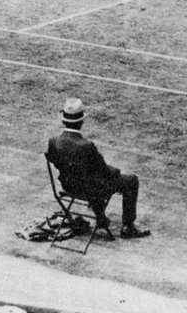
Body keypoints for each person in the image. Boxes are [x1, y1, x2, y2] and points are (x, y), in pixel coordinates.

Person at [45, 98, 150, 240]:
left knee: (91, 180)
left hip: (69, 186)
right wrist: (116, 171)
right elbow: (104, 172)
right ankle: (128, 227)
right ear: (81, 122)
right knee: (131, 180)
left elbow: (55, 162)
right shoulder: (86, 146)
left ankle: (101, 217)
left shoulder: (53, 142)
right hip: (91, 190)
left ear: (64, 120)